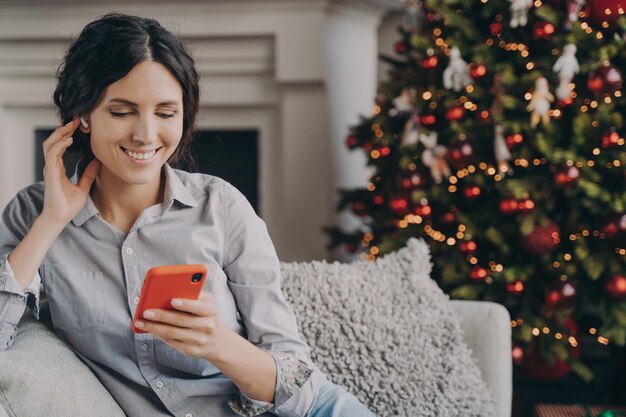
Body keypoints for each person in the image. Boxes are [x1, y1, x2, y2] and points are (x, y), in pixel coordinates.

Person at [0, 13, 374, 417]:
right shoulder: (33, 215)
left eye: (165, 113)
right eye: (122, 112)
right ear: (85, 116)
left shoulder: (222, 207)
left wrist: (217, 344)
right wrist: (53, 220)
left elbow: (297, 382)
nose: (146, 135)